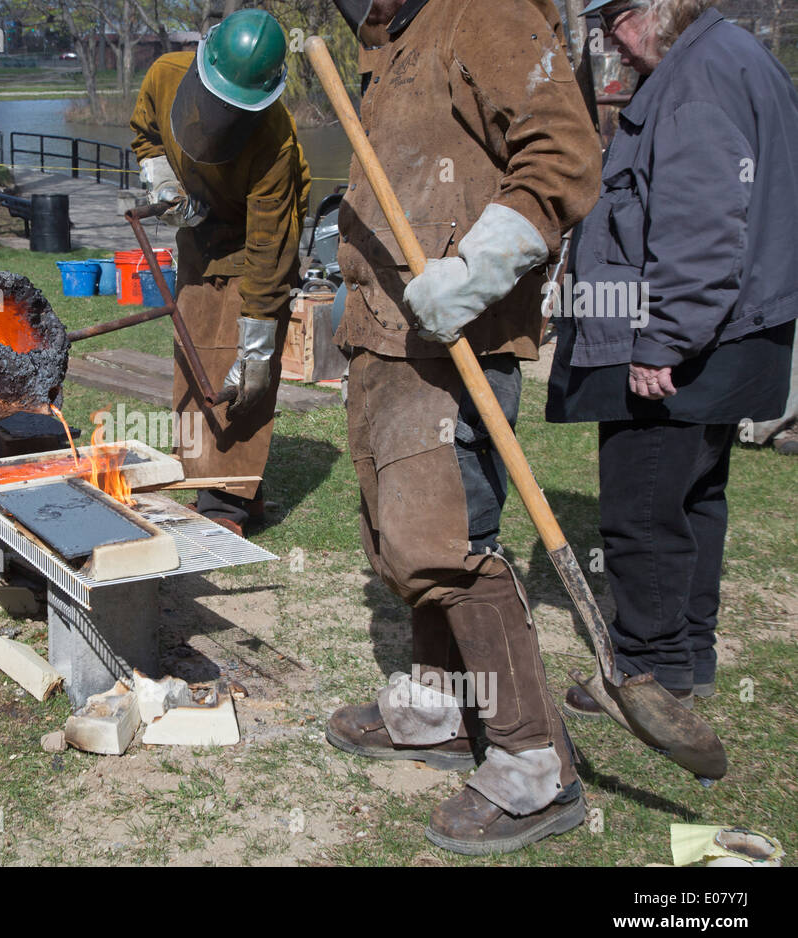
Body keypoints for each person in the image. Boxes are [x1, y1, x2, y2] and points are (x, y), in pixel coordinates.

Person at [322, 0, 602, 854]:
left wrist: (475, 273)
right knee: (401, 544)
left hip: (454, 341)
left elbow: (564, 152)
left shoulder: (483, 9)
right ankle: (438, 712)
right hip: (382, 337)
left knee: (447, 544)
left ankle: (531, 768)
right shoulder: (392, 36)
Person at [547, 0, 798, 714]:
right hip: (731, 336)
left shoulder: (695, 83)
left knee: (646, 507)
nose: (612, 43)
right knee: (694, 499)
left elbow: (701, 227)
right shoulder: (735, 58)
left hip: (685, 343)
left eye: (616, 20)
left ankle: (649, 674)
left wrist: (661, 340)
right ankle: (689, 654)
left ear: (655, 8)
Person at [130, 9, 310, 536]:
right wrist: (162, 180)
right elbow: (145, 134)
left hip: (255, 247)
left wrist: (258, 341)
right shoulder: (165, 76)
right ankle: (213, 484)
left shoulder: (274, 141)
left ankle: (225, 505)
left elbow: (268, 247)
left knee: (241, 374)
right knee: (194, 360)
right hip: (198, 239)